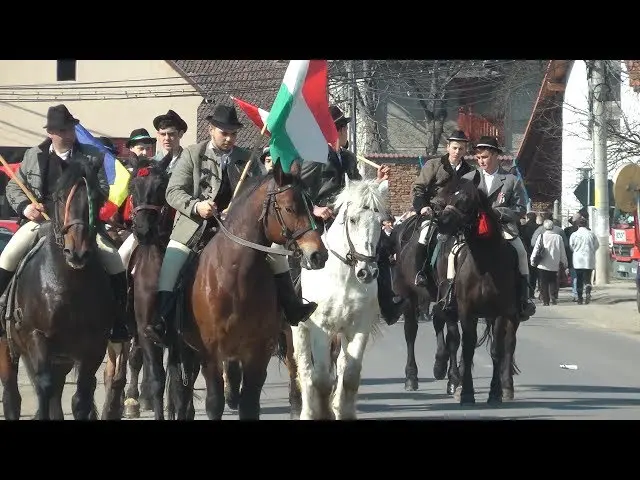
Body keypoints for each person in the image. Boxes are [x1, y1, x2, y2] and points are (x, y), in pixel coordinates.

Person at [143, 104, 315, 346]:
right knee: (173, 262)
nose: (229, 138)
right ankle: (161, 319)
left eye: (233, 133)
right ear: (211, 129)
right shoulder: (192, 154)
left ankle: (292, 307)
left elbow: (261, 195)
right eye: (224, 132)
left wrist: (236, 212)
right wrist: (196, 206)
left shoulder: (247, 158)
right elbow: (173, 192)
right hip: (196, 227)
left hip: (239, 230)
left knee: (276, 254)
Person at [0, 104, 130, 341]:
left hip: (81, 223)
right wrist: (25, 207)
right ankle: (2, 313)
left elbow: (102, 189)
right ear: (51, 132)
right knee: (7, 256)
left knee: (114, 260)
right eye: (62, 130)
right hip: (42, 222)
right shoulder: (33, 155)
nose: (68, 134)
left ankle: (119, 320)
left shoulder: (92, 155)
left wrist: (86, 198)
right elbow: (13, 187)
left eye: (70, 129)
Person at [299, 105, 402, 325]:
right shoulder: (313, 157)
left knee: (379, 245)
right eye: (342, 127)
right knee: (304, 251)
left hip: (350, 215)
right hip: (323, 216)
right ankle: (295, 303)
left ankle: (386, 302)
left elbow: (358, 189)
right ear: (332, 130)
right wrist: (315, 209)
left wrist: (377, 181)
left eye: (344, 127)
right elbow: (298, 189)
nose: (345, 131)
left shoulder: (348, 157)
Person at [445, 136, 537, 320]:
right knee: (453, 253)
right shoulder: (468, 179)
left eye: (485, 157)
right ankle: (449, 297)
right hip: (473, 228)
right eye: (478, 158)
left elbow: (520, 209)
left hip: (502, 228)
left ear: (496, 156)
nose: (481, 161)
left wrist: (499, 214)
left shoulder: (511, 180)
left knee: (521, 252)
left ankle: (524, 298)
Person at [118, 115, 186, 272]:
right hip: (151, 225)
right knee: (121, 259)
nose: (167, 138)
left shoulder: (190, 159)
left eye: (172, 134)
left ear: (180, 134)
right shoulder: (148, 164)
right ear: (158, 135)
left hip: (180, 223)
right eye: (163, 134)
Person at [412, 130, 474, 287]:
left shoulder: (470, 171)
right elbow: (418, 188)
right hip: (434, 212)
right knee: (425, 235)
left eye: (461, 148)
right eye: (454, 148)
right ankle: (420, 272)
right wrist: (423, 207)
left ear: (465, 150)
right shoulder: (434, 165)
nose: (457, 152)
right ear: (448, 147)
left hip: (459, 215)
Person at [530, 219, 567, 306]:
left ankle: (545, 300)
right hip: (554, 263)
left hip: (542, 264)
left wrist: (532, 260)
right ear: (553, 227)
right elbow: (562, 251)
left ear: (544, 227)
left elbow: (536, 249)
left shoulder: (541, 236)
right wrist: (564, 262)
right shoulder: (558, 237)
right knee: (553, 280)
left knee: (543, 282)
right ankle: (553, 297)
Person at [569, 215, 599, 304]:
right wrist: (591, 251)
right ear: (586, 225)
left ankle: (579, 298)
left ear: (578, 225)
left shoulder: (574, 234)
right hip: (588, 259)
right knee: (587, 278)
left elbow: (571, 246)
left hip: (578, 260)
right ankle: (588, 291)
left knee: (579, 279)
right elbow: (596, 245)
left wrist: (576, 251)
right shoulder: (591, 234)